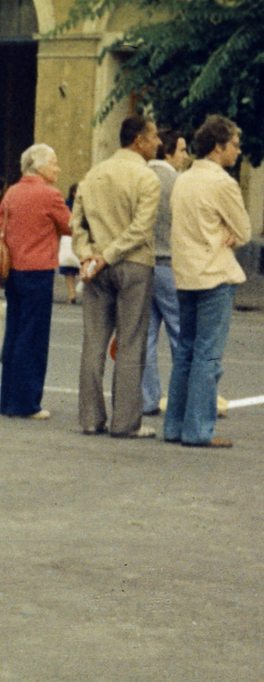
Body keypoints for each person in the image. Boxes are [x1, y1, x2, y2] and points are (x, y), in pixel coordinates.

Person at [71, 113, 161, 438]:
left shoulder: (93, 175)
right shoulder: (147, 178)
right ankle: (125, 422)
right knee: (131, 341)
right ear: (138, 140)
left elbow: (76, 224)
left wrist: (87, 257)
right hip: (133, 264)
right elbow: (141, 228)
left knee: (93, 342)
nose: (159, 143)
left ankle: (90, 418)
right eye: (154, 137)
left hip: (96, 267)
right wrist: (108, 256)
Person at [164, 115, 249, 448]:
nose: (238, 152)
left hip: (185, 274)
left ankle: (175, 425)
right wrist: (227, 233)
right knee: (208, 356)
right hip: (214, 273)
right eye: (235, 145)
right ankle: (198, 429)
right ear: (219, 146)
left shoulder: (183, 179)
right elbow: (242, 229)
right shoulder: (223, 183)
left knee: (185, 351)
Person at [0, 143, 72, 420]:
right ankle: (27, 402)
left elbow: (0, 229)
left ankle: (8, 399)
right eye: (53, 163)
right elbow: (69, 225)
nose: (57, 168)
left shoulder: (12, 192)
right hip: (38, 270)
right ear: (39, 167)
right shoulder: (50, 194)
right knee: (34, 338)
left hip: (12, 271)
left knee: (15, 334)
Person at [142, 128, 188, 416]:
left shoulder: (142, 177)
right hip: (170, 265)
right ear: (168, 152)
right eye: (182, 150)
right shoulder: (177, 182)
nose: (185, 155)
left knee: (145, 337)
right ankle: (181, 400)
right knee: (180, 334)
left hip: (144, 264)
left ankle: (147, 399)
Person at [58, 183, 81, 304]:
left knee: (83, 267)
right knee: (68, 268)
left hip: (82, 238)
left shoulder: (88, 203)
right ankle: (72, 294)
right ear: (73, 193)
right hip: (69, 238)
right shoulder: (66, 205)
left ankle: (79, 292)